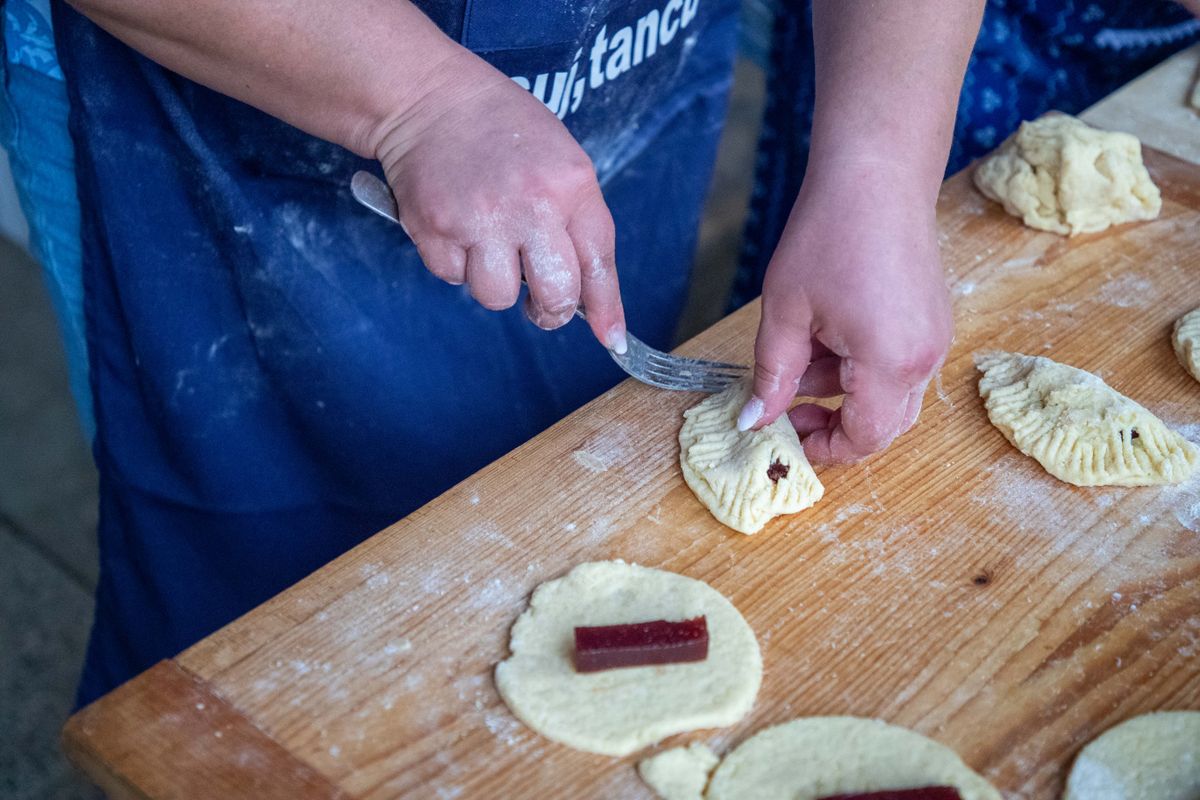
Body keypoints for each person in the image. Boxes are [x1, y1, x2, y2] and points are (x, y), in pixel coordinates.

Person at [0, 0, 1192, 708]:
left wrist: (880, 170)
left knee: (567, 475)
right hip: (226, 88)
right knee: (259, 637)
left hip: (627, 49)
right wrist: (418, 102)